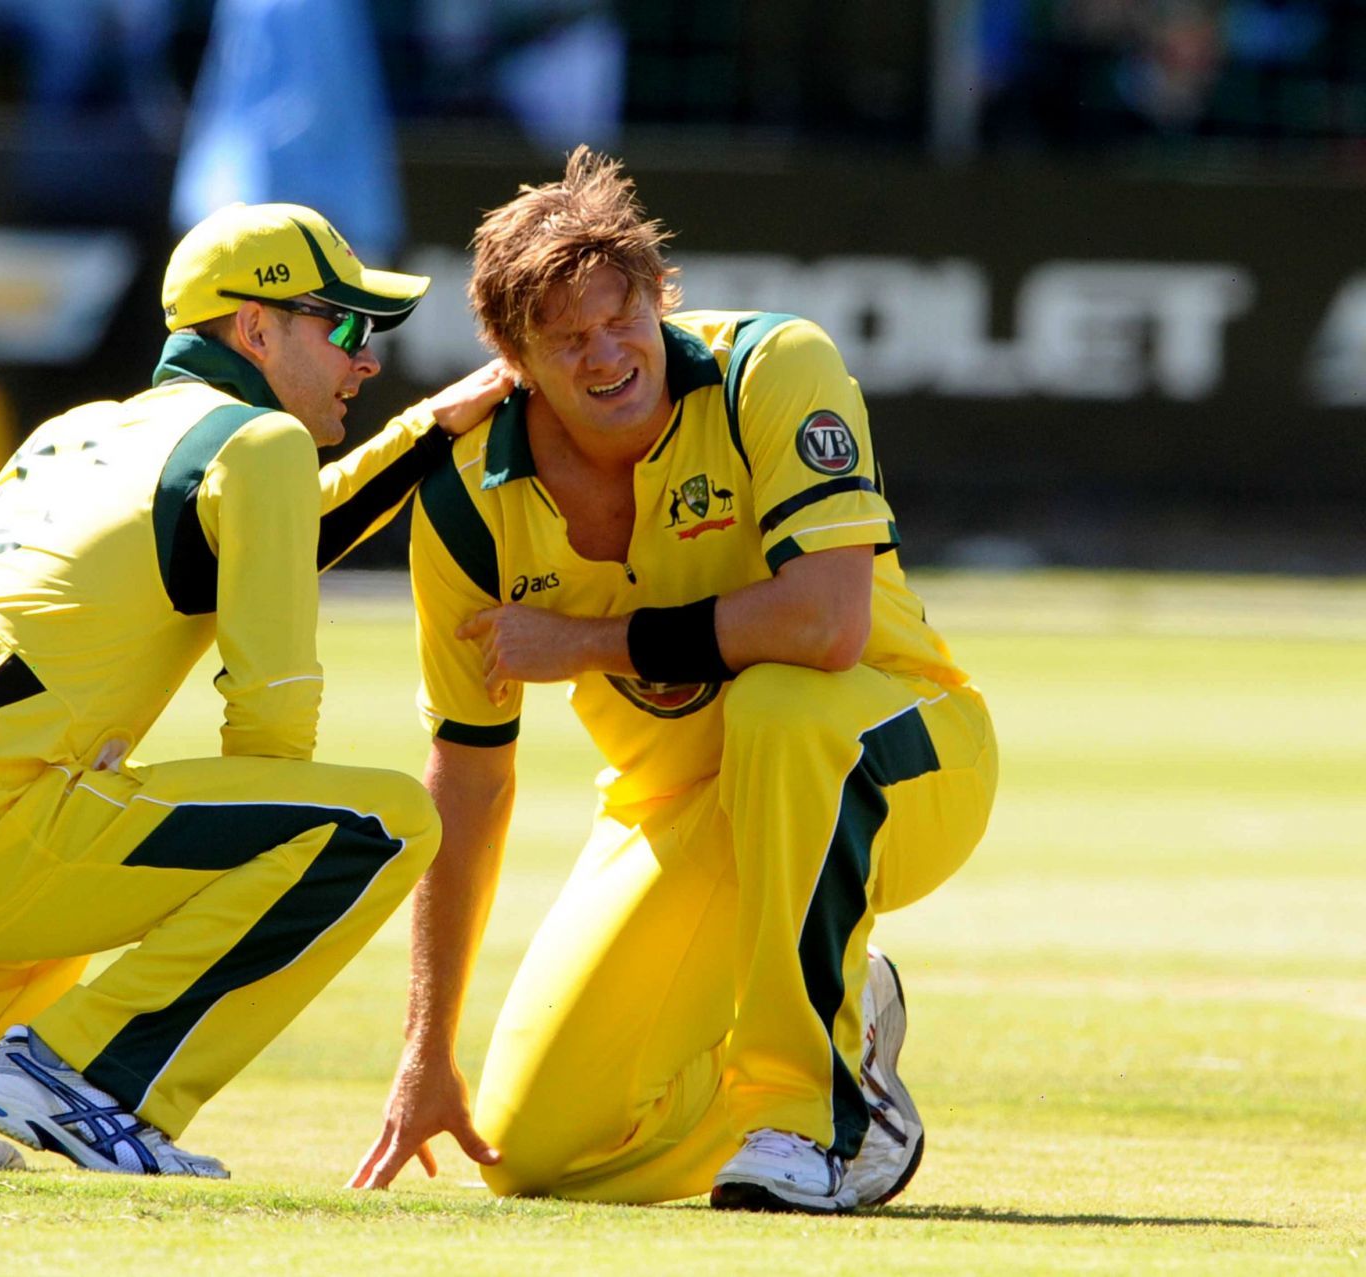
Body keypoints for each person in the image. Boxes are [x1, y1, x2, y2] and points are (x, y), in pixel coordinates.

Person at [0, 202, 512, 1176]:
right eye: (342, 325)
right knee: (379, 822)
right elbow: (272, 717)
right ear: (256, 329)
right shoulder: (260, 445)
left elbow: (274, 538)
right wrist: (255, 875)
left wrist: (432, 429)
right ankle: (92, 1081)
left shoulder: (82, 429)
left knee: (107, 811)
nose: (366, 359)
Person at [350, 149, 998, 1213]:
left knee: (781, 704)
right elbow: (467, 777)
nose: (607, 356)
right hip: (688, 809)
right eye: (566, 340)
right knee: (533, 1153)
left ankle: (813, 1116)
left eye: (624, 318)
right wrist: (427, 1046)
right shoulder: (466, 501)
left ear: (663, 297)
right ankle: (842, 1018)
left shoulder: (771, 366)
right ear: (511, 357)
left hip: (904, 757)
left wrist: (584, 642)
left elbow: (827, 626)